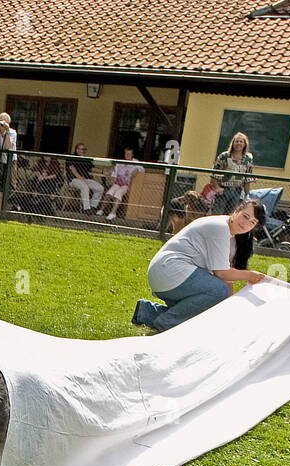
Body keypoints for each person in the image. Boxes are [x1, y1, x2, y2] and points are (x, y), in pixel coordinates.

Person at [131, 198, 267, 331]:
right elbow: (222, 273)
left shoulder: (227, 232)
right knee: (218, 292)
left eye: (252, 222)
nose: (245, 223)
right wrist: (250, 275)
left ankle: (146, 312)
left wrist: (226, 308)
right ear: (237, 211)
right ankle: (165, 323)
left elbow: (225, 277)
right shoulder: (221, 228)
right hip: (169, 271)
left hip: (166, 274)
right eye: (245, 216)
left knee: (207, 308)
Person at [97, 147, 144, 221]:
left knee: (118, 194)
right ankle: (101, 210)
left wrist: (136, 170)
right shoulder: (120, 162)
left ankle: (113, 213)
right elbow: (114, 173)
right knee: (109, 193)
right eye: (126, 153)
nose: (127, 155)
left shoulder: (135, 162)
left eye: (129, 153)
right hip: (117, 183)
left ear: (132, 155)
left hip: (126, 185)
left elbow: (142, 169)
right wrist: (110, 176)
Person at [212, 132, 253, 215]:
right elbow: (214, 173)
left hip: (237, 193)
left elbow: (248, 178)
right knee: (217, 215)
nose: (238, 143)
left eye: (241, 142)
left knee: (231, 216)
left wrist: (246, 195)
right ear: (233, 143)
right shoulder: (224, 156)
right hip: (223, 191)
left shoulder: (248, 159)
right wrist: (217, 188)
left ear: (245, 144)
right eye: (236, 141)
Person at [67, 143, 103, 213]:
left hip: (85, 180)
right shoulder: (71, 157)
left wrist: (103, 171)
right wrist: (80, 177)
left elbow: (92, 168)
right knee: (85, 187)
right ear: (77, 150)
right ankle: (86, 209)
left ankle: (93, 206)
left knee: (100, 188)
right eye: (82, 149)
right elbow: (72, 168)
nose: (83, 151)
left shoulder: (86, 159)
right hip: (74, 180)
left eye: (84, 149)